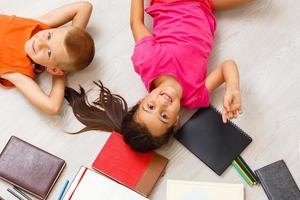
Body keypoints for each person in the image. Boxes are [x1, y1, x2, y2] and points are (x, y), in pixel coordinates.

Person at [65, 0, 254, 152]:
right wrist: (232, 87)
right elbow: (226, 67)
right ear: (176, 121)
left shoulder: (148, 61)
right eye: (164, 116)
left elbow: (136, 23)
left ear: (142, 100)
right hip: (205, 4)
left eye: (150, 106)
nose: (162, 104)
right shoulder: (194, 97)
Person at [0, 1, 95, 115]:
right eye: (49, 36)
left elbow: (52, 107)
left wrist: (60, 73)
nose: (40, 43)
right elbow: (85, 7)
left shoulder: (18, 71)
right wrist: (73, 33)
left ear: (53, 69)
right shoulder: (38, 27)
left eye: (49, 52)